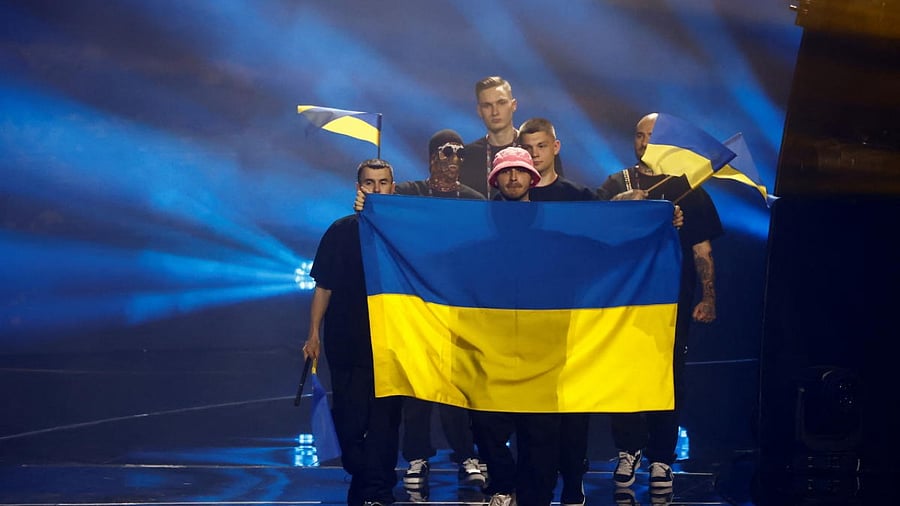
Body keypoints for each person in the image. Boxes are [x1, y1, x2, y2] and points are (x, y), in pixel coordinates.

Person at [596, 112, 723, 492]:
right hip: (625, 300)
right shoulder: (615, 183)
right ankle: (628, 450)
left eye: (651, 135)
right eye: (638, 135)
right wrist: (624, 204)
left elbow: (703, 249)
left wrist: (710, 296)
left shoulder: (691, 189)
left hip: (672, 302)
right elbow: (594, 228)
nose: (643, 142)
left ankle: (662, 458)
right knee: (625, 374)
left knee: (669, 376)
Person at [303, 159, 404, 506]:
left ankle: (378, 489)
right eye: (369, 183)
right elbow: (324, 287)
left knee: (384, 424)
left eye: (383, 183)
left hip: (391, 344)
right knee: (348, 423)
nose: (376, 189)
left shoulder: (404, 234)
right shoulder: (339, 231)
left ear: (394, 187)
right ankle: (362, 475)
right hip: (346, 343)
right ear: (358, 188)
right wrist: (313, 333)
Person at [392, 129, 487, 494]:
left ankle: (466, 455)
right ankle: (417, 457)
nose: (452, 160)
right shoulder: (409, 195)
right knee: (417, 388)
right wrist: (366, 203)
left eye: (459, 154)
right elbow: (382, 213)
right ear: (432, 158)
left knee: (459, 388)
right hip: (416, 306)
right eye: (445, 153)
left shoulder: (475, 200)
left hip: (458, 309)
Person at [471, 146, 563, 506]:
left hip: (542, 345)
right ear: (495, 179)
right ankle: (502, 486)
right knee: (486, 424)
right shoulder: (479, 219)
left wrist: (662, 216)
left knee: (540, 433)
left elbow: (603, 229)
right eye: (506, 172)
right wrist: (374, 213)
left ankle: (535, 497)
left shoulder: (553, 220)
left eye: (519, 171)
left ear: (532, 177)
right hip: (492, 342)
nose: (513, 178)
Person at [515, 118, 593, 506]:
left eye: (541, 146)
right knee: (531, 415)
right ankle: (533, 485)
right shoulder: (510, 202)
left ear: (556, 147)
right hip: (523, 325)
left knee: (574, 409)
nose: (534, 154)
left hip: (572, 321)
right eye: (527, 148)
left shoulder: (579, 197)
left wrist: (664, 219)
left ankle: (573, 480)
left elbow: (612, 234)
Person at [460, 76, 563, 198]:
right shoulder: (467, 155)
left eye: (501, 103)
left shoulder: (537, 149)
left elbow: (557, 193)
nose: (495, 112)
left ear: (513, 105)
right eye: (487, 105)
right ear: (479, 111)